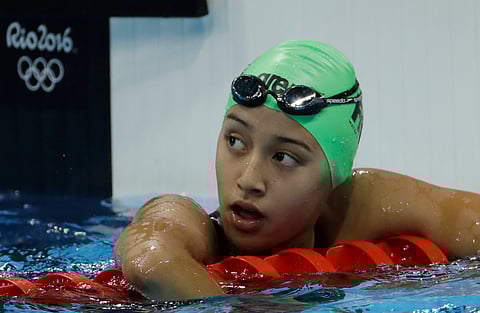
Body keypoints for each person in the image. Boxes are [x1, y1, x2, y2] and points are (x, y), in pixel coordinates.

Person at [114, 40, 480, 301]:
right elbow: (152, 262)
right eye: (236, 142)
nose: (248, 180)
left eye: (284, 158)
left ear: (333, 176)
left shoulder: (359, 205)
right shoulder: (188, 223)